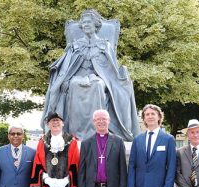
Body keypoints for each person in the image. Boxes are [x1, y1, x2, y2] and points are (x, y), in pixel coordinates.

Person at [41, 9, 140, 141]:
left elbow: (111, 70)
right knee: (74, 85)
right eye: (84, 22)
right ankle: (75, 134)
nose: (86, 24)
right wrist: (64, 80)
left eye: (89, 22)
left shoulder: (105, 45)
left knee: (97, 85)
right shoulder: (75, 46)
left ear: (96, 25)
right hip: (77, 77)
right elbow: (67, 67)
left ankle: (97, 133)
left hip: (99, 78)